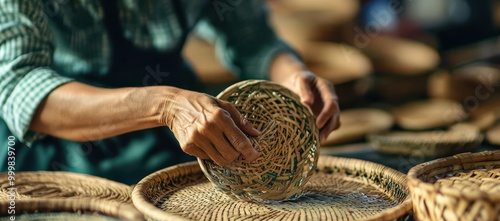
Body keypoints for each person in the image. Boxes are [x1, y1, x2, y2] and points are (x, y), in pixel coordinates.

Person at [0, 0, 340, 184]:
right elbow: (20, 86)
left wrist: (296, 76)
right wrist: (165, 105)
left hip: (176, 141)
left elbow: (254, 40)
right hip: (62, 144)